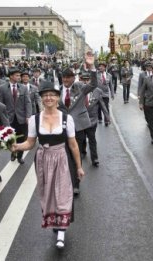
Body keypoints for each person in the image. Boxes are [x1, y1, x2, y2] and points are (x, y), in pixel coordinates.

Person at [12, 81, 85, 249]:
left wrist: (79, 167)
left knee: (63, 192)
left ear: (58, 98)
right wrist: (16, 146)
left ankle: (61, 230)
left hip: (61, 158)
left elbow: (73, 145)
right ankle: (55, 221)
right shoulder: (34, 120)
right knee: (48, 193)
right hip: (43, 159)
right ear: (41, 99)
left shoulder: (67, 118)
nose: (49, 98)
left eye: (52, 95)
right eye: (45, 96)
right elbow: (30, 143)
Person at [58, 55, 98, 195]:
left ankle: (76, 184)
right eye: (64, 77)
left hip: (78, 126)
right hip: (62, 128)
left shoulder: (80, 87)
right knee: (65, 155)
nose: (66, 80)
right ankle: (66, 180)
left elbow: (93, 84)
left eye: (69, 77)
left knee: (77, 154)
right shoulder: (58, 92)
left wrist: (92, 67)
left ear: (73, 78)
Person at [2, 68, 32, 164]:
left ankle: (20, 156)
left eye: (20, 76)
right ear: (11, 76)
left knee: (22, 138)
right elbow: (0, 104)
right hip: (8, 118)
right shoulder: (2, 88)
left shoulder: (23, 88)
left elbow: (28, 103)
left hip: (22, 118)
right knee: (11, 138)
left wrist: (28, 116)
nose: (20, 77)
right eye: (17, 75)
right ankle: (13, 152)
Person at [79, 72, 110, 166]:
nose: (85, 82)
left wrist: (107, 117)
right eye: (83, 80)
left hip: (92, 119)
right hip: (80, 120)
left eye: (87, 80)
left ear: (90, 80)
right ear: (80, 80)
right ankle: (83, 151)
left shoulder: (98, 91)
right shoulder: (78, 90)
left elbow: (102, 105)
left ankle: (95, 158)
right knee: (82, 138)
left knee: (92, 139)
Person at [96, 61, 114, 125]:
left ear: (105, 68)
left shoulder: (109, 76)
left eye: (102, 66)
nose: (100, 67)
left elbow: (111, 85)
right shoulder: (96, 74)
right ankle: (99, 118)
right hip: (98, 94)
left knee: (106, 107)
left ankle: (106, 120)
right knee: (98, 107)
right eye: (99, 66)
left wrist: (112, 94)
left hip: (105, 94)